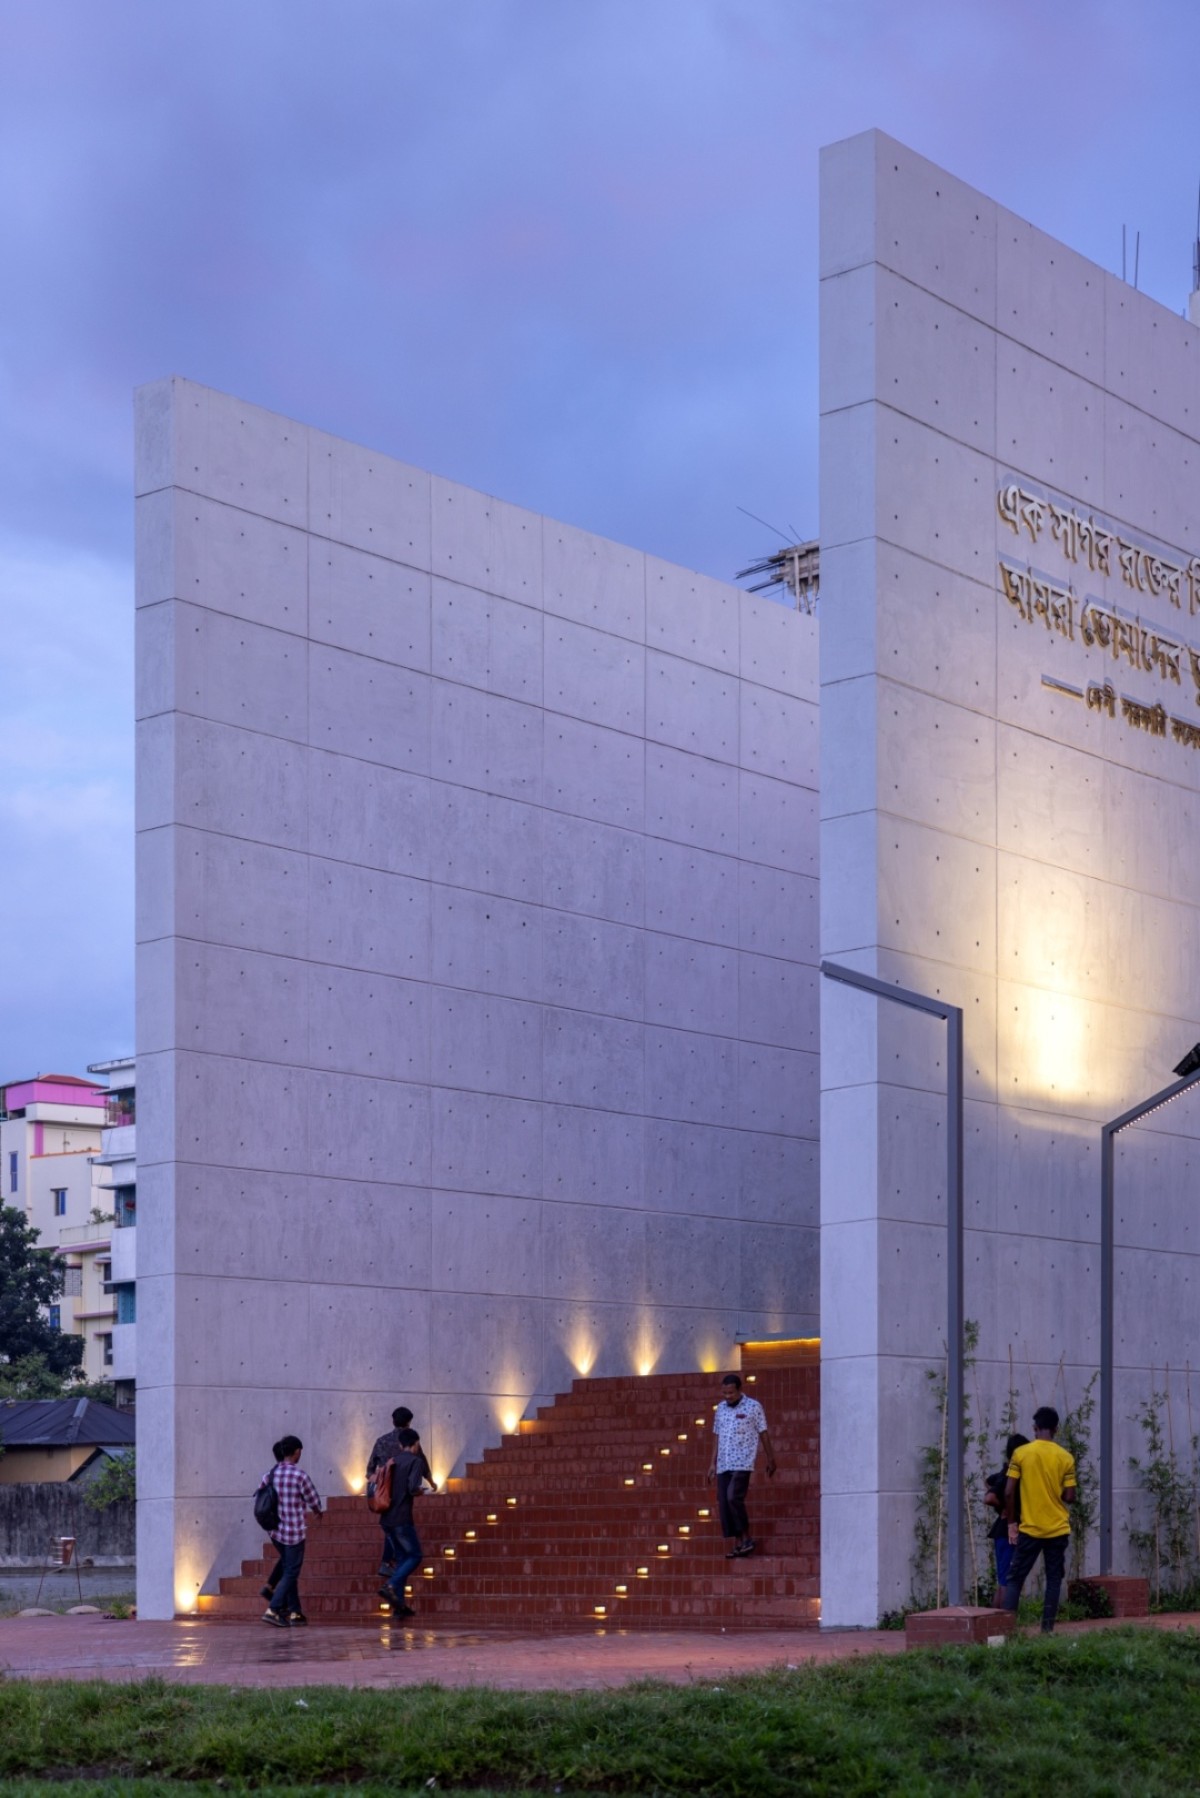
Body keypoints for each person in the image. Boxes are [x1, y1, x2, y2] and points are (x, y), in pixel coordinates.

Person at [1001, 1406, 1076, 1632]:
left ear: (1035, 1428)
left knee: (1015, 1579)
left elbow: (1007, 1492)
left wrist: (1012, 1524)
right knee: (1053, 1580)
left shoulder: (1021, 1454)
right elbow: (1070, 1497)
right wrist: (1054, 1490)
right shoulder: (1066, 1457)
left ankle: (1006, 1633)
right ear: (1056, 1429)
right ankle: (1047, 1632)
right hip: (1058, 1529)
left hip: (1031, 1529)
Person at [705, 1372, 777, 1558]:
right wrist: (712, 1463)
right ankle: (738, 1543)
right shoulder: (720, 1409)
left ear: (739, 1390)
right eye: (724, 1393)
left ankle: (747, 1537)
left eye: (731, 1393)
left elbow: (763, 1433)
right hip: (723, 1463)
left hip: (742, 1462)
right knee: (724, 1502)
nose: (728, 1397)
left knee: (732, 1497)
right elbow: (716, 1436)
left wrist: (771, 1458)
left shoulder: (753, 1407)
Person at [256, 1434, 323, 1627]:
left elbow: (261, 1497)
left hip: (275, 1531)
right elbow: (314, 1500)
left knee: (287, 1568)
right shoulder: (299, 1475)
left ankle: (295, 1612)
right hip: (294, 1532)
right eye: (300, 1451)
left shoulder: (269, 1475)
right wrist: (318, 1512)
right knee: (292, 1571)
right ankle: (274, 1609)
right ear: (296, 1452)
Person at [367, 1407, 437, 1576]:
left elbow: (369, 1471)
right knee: (399, 1526)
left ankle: (390, 1564)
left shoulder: (381, 1441)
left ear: (393, 1421)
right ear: (409, 1422)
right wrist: (431, 1482)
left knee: (391, 1524)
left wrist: (378, 1482)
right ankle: (391, 1568)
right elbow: (422, 1464)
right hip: (402, 1493)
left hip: (383, 1492)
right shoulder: (409, 1443)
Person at [378, 1429, 434, 1618]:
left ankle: (399, 1607)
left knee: (402, 1559)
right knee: (415, 1556)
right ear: (416, 1444)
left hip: (386, 1518)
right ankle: (391, 1585)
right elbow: (412, 1487)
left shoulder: (391, 1462)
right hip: (402, 1517)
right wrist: (421, 1491)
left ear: (401, 1445)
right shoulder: (415, 1461)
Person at [984, 1433, 1028, 1594]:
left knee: (1006, 1580)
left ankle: (1001, 1617)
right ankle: (1001, 1618)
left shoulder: (1007, 1472)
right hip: (1007, 1532)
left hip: (1005, 1531)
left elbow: (988, 1481)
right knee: (1006, 1583)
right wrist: (1006, 1507)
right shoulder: (1010, 1474)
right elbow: (989, 1498)